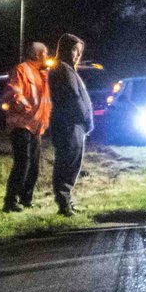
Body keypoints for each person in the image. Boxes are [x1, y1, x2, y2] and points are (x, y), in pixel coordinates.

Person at [2, 42, 52, 212]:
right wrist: (26, 107)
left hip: (36, 126)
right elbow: (14, 92)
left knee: (34, 165)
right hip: (21, 124)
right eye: (45, 53)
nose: (47, 56)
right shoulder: (22, 69)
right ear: (38, 54)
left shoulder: (43, 74)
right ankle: (11, 201)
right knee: (23, 163)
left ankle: (26, 199)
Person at [47, 33, 94, 216]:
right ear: (66, 49)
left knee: (72, 163)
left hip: (75, 125)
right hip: (69, 124)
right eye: (74, 50)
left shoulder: (69, 69)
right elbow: (75, 99)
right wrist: (86, 119)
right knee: (66, 163)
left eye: (79, 51)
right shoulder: (63, 69)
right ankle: (63, 203)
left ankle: (66, 200)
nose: (77, 54)